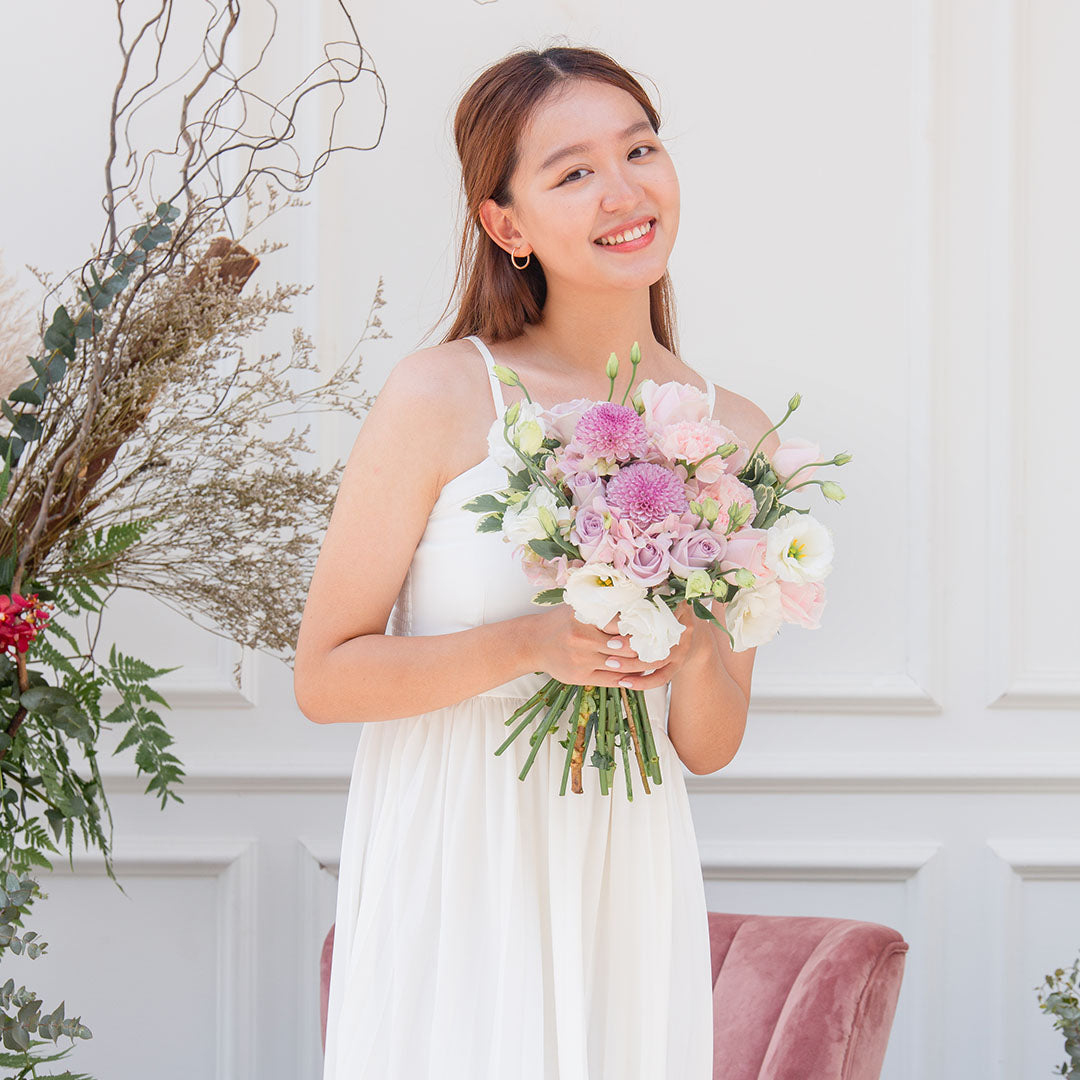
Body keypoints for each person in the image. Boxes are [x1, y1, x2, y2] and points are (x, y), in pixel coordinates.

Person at [295, 43, 781, 1080]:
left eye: (640, 149)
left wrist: (696, 653)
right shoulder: (442, 393)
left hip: (626, 871)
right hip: (458, 861)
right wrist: (528, 642)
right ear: (504, 223)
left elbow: (711, 743)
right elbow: (325, 675)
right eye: (573, 171)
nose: (624, 190)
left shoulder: (734, 436)